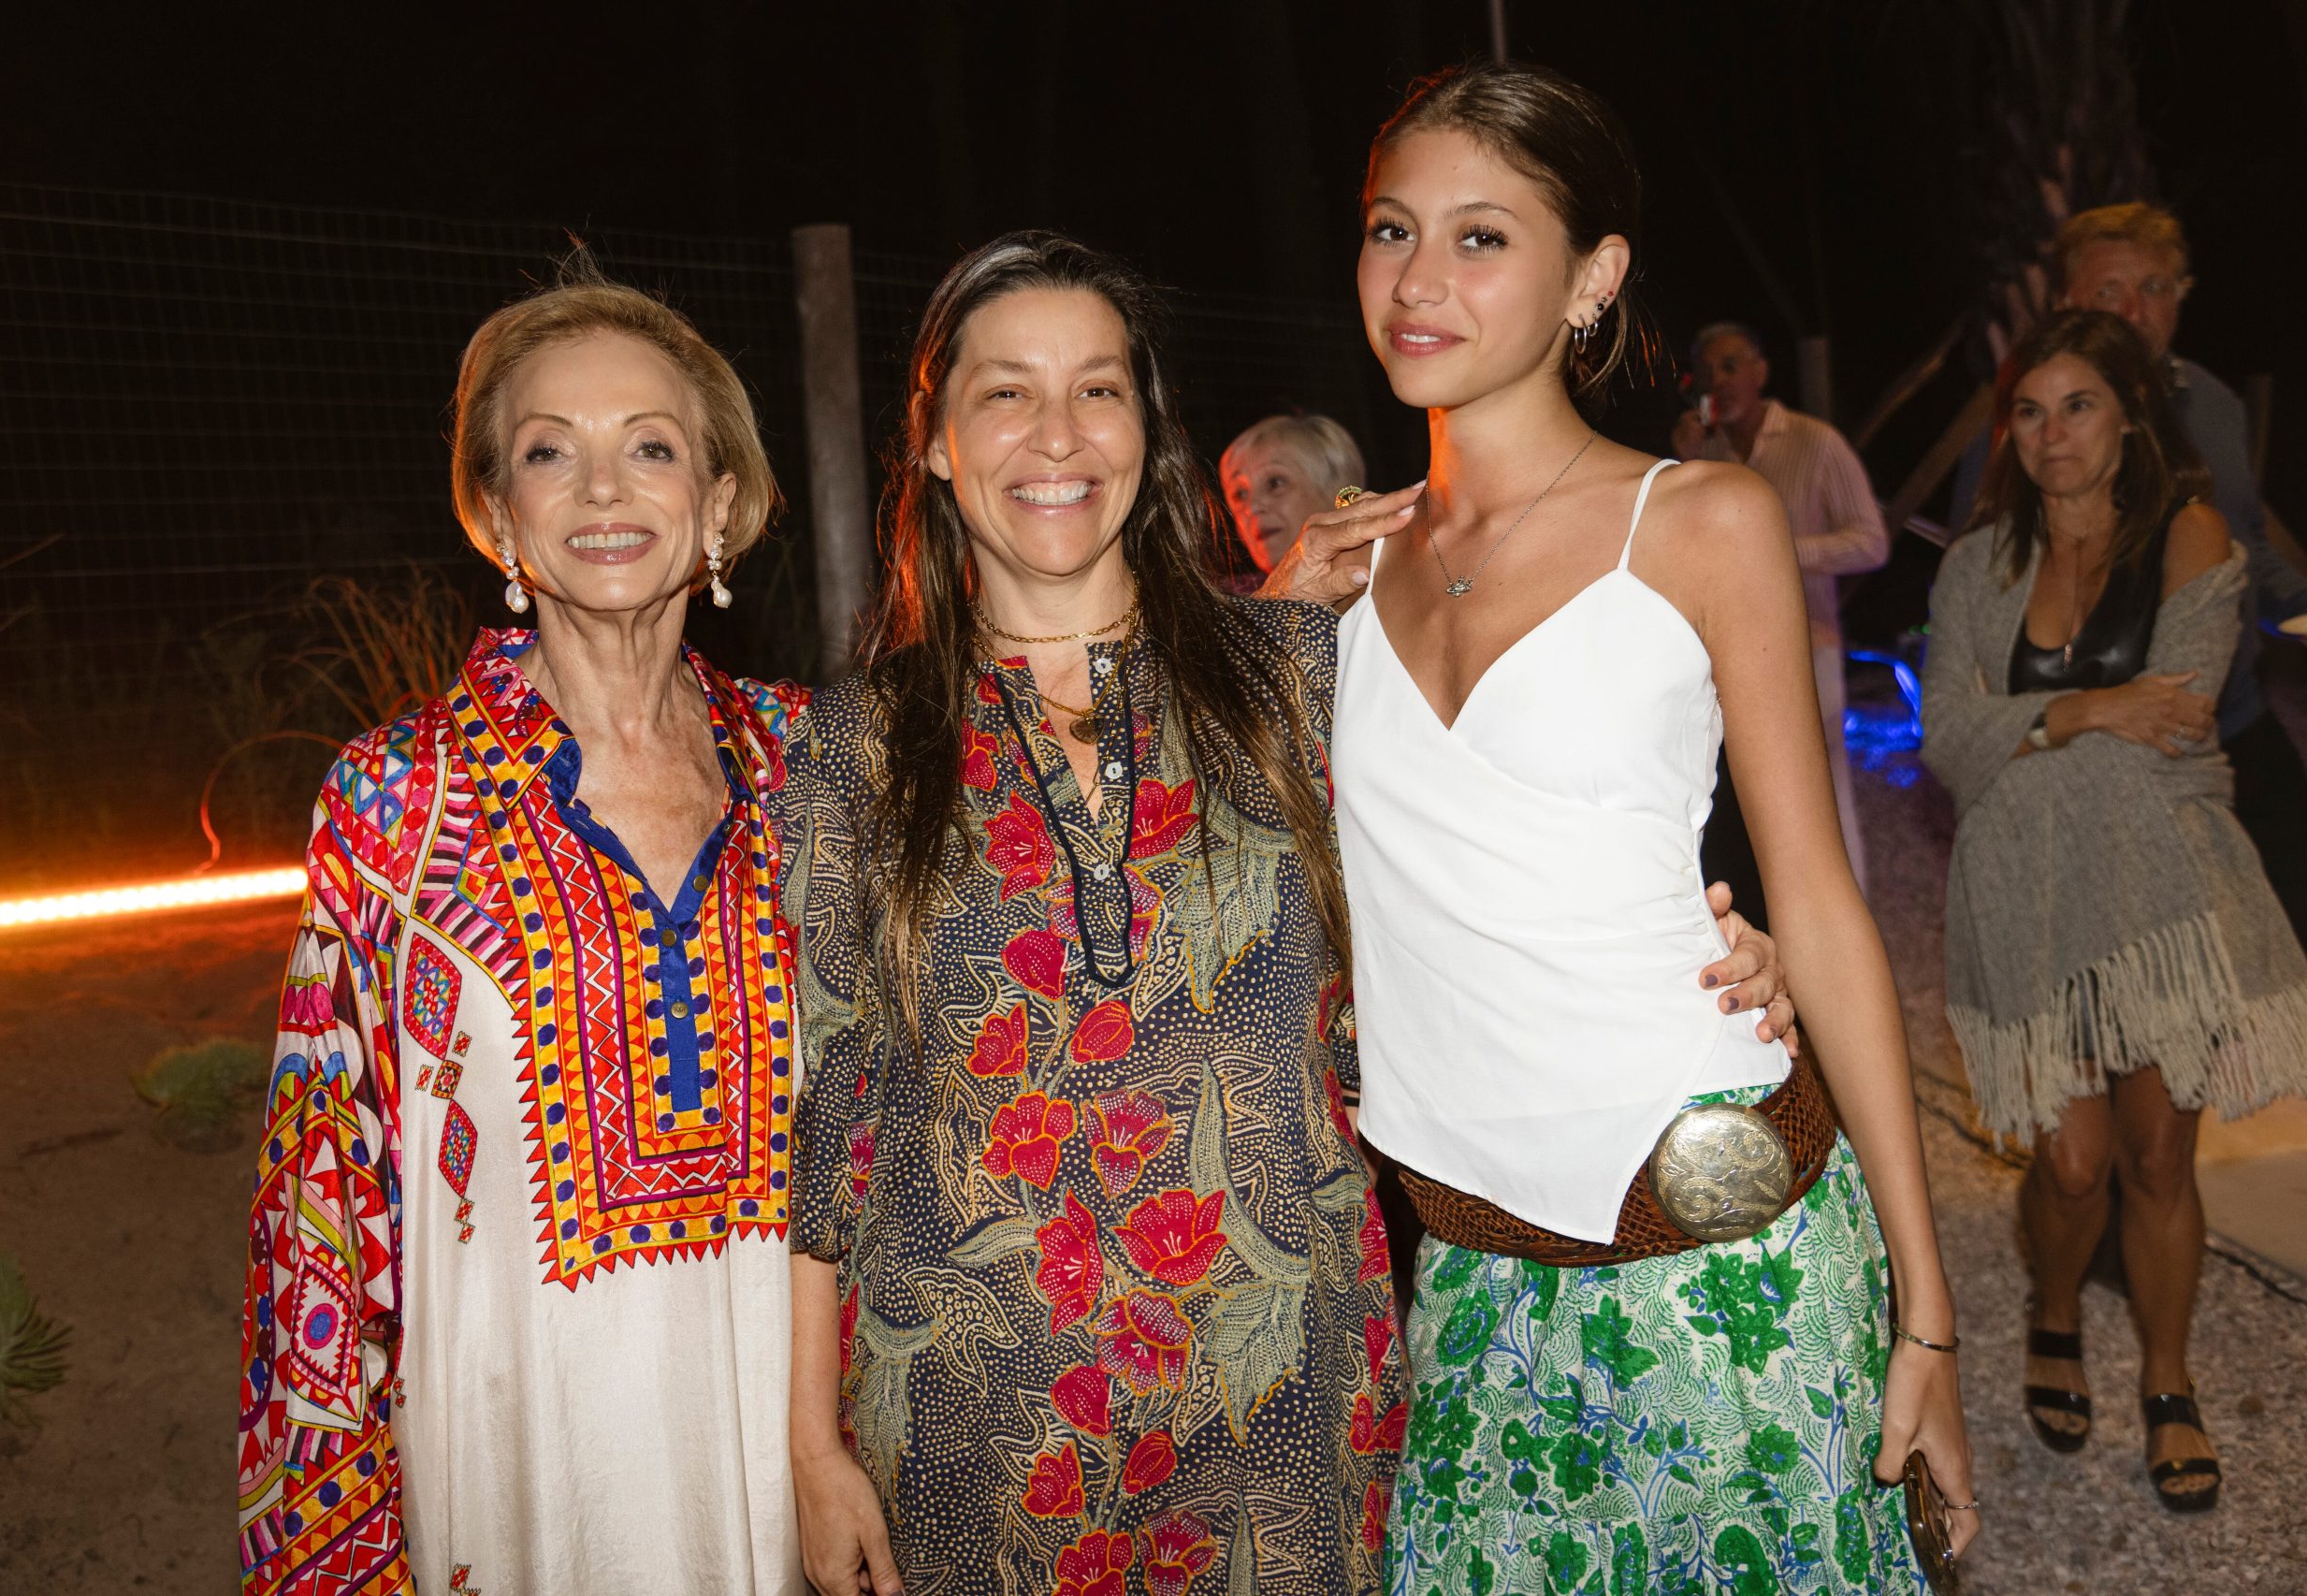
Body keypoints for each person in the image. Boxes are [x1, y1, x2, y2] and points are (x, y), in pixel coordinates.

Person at [776, 232, 1797, 1596]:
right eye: (1006, 392)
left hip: (1286, 1398)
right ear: (942, 442)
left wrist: (1701, 954)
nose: (1058, 434)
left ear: (1150, 428)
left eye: (1100, 388)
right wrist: (809, 1444)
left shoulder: (1306, 674)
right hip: (975, 1420)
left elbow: (1500, 883)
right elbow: (830, 1108)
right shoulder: (854, 745)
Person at [1267, 62, 1975, 1590]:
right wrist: (1265, 625)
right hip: (1471, 1278)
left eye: (1481, 238)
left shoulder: (1702, 521)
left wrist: (1928, 1315)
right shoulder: (1334, 579)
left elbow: (1825, 903)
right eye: (1392, 230)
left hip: (1734, 1254)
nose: (1418, 279)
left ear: (1592, 279)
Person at [238, 262, 807, 1594]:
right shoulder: (393, 802)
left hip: (792, 1471)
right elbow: (317, 1213)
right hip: (520, 1485)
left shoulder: (811, 774)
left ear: (720, 502)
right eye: (552, 451)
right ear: (498, 512)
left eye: (651, 447)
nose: (604, 489)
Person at [1925, 310, 2307, 1514]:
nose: (2050, 435)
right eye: (2027, 412)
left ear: (2131, 414)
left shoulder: (2193, 537)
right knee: (2073, 1162)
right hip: (2026, 899)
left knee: (2154, 1156)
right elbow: (1944, 740)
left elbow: (2183, 722)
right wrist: (2090, 710)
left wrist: (2025, 727)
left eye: (2077, 405)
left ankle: (2170, 1377)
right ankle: (2052, 1312)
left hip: (2159, 900)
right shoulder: (1976, 562)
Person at [1952, 202, 2307, 942]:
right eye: (2111, 291)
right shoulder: (2020, 423)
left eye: (2157, 287)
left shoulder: (2213, 403)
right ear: (2068, 303)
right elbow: (1983, 585)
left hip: (2233, 716)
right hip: (2104, 748)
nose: (2137, 312)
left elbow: (2252, 543)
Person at [1676, 321, 1890, 892]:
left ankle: (1851, 934)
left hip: (1807, 645)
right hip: (1720, 660)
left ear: (1760, 372)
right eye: (1708, 370)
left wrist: (1779, 550)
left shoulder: (1814, 441)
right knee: (1749, 800)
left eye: (1731, 365)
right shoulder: (1707, 456)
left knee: (1824, 796)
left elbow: (1872, 541)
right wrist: (1681, 466)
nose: (1720, 381)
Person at [1219, 413, 1368, 581]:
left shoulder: (1390, 576)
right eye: (1240, 494)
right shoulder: (1225, 604)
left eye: (1275, 483)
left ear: (1338, 490)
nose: (1251, 508)